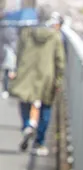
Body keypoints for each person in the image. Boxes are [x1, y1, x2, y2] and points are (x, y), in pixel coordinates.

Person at [10, 7, 64, 156]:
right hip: (47, 76)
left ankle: (27, 125)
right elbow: (60, 61)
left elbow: (19, 53)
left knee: (25, 101)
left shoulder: (27, 33)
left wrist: (16, 70)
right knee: (46, 107)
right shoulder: (55, 36)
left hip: (27, 73)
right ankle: (39, 141)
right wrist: (58, 80)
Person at [0, 25, 18, 99]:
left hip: (8, 53)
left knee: (8, 72)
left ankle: (7, 89)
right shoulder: (10, 30)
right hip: (10, 53)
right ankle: (8, 89)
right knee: (9, 72)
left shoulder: (5, 29)